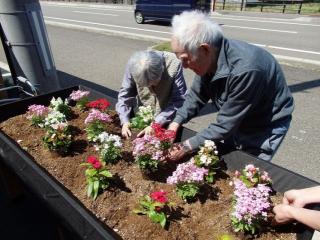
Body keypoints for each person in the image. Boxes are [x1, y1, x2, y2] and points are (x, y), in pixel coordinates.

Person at [167, 11, 294, 161]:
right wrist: (175, 124)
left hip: (263, 126)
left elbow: (225, 125)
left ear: (205, 49)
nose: (184, 66)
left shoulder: (246, 69)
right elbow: (196, 96)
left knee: (248, 170)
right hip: (238, 120)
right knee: (231, 155)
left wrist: (187, 146)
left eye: (185, 59)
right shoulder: (208, 59)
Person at [116, 50, 187, 138]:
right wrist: (125, 121)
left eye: (154, 83)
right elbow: (125, 94)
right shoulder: (134, 64)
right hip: (144, 116)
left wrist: (157, 123)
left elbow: (179, 100)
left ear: (162, 69)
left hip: (168, 115)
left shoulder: (174, 63)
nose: (151, 87)